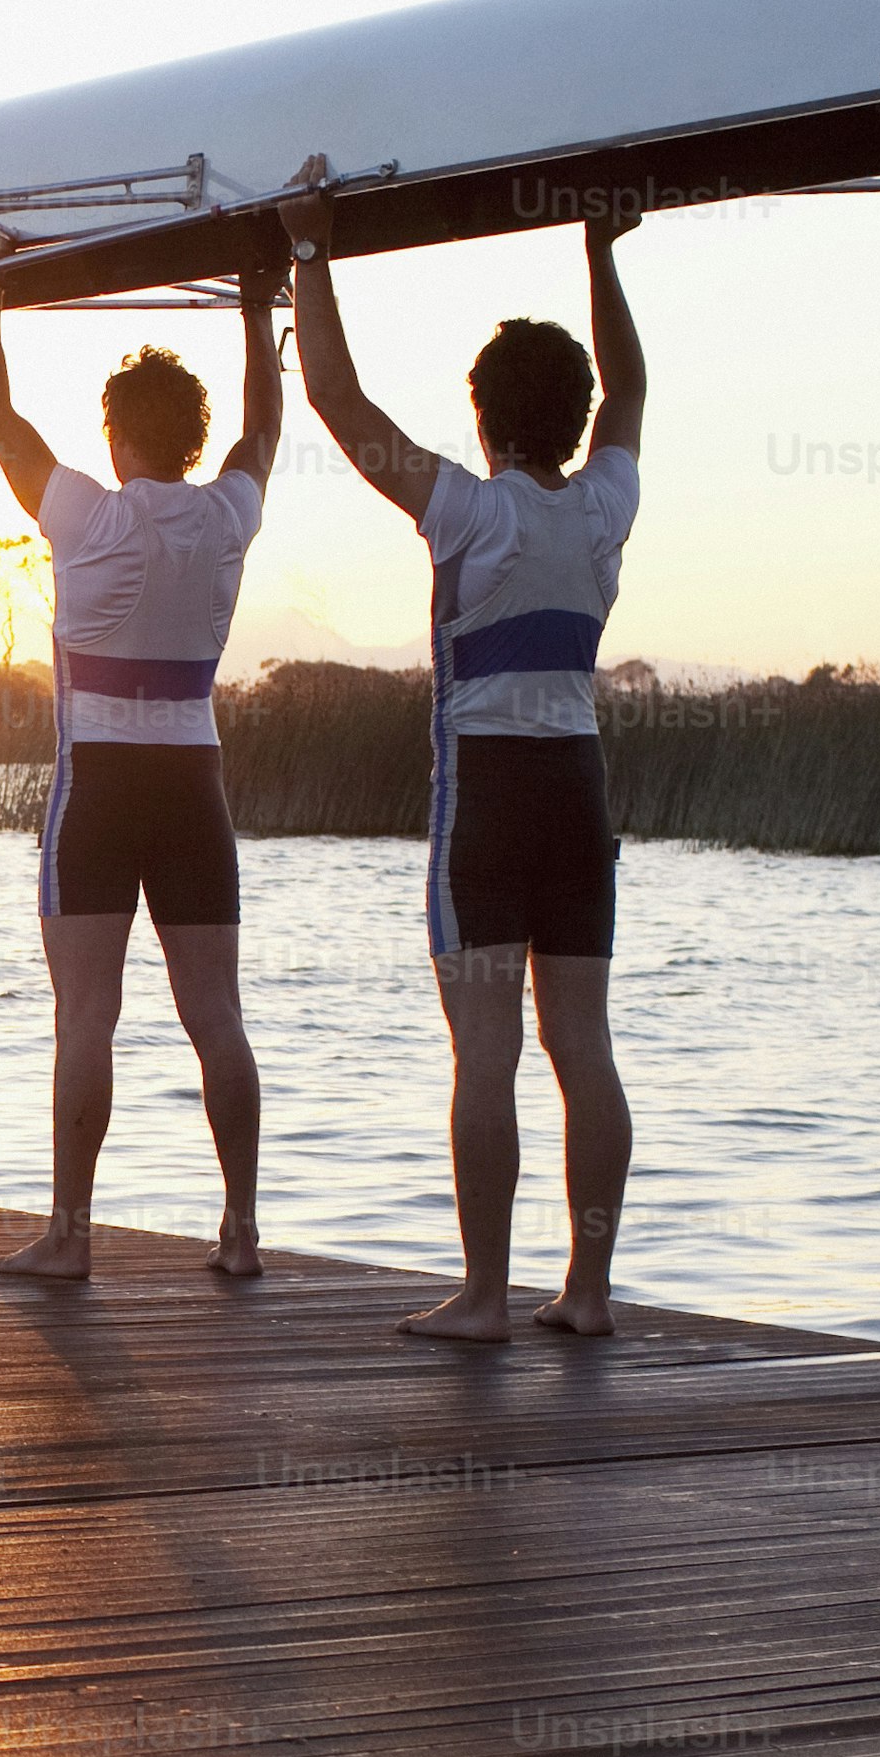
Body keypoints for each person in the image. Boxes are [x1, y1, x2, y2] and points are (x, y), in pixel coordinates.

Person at [284, 178, 642, 1339]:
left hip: (485, 797)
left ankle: (485, 1297)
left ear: (482, 421)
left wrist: (308, 249)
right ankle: (585, 1292)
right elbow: (630, 387)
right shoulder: (601, 509)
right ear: (574, 419)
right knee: (580, 1045)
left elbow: (335, 400)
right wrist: (602, 252)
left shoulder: (469, 513)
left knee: (483, 1056)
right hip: (580, 794)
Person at [0, 260, 283, 1281]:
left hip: (97, 788)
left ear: (114, 434)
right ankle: (239, 1231)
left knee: (85, 1016)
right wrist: (260, 309)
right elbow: (262, 432)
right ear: (189, 438)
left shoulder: (85, 515)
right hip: (194, 786)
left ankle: (70, 1234)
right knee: (216, 1017)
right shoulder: (228, 515)